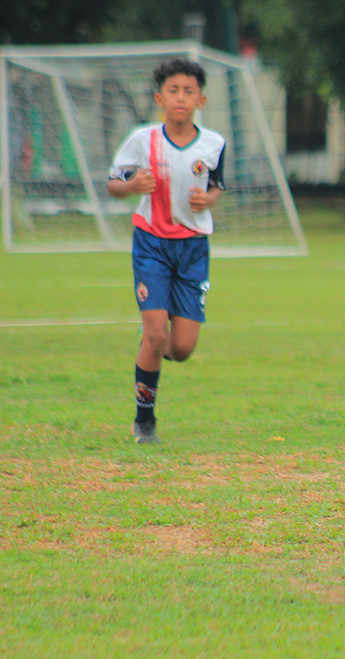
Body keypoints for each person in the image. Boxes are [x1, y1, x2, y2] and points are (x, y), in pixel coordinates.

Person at [108, 58, 226, 444]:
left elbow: (217, 185)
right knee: (157, 337)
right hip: (152, 245)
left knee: (182, 348)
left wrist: (206, 200)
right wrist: (131, 186)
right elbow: (114, 183)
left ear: (201, 100)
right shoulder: (143, 140)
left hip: (192, 249)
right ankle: (145, 421)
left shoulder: (214, 144)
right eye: (173, 91)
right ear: (161, 98)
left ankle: (152, 344)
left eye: (188, 91)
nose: (181, 98)